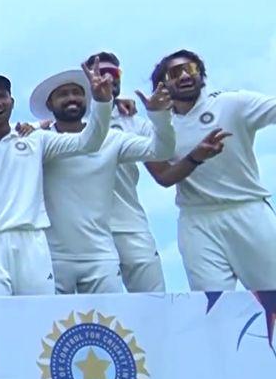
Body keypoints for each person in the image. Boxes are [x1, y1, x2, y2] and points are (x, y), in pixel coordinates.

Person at [0, 62, 114, 296]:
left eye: (2, 96)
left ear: (12, 102)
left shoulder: (36, 139)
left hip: (33, 242)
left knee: (40, 324)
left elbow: (90, 142)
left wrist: (102, 102)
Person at [30, 69, 175, 294]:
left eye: (77, 93)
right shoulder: (39, 141)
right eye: (63, 94)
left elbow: (161, 150)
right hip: (53, 256)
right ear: (49, 104)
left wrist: (160, 117)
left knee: (111, 327)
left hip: (101, 256)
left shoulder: (112, 139)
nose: (71, 98)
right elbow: (0, 136)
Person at [144, 50, 276, 291]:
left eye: (191, 69)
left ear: (201, 76)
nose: (184, 75)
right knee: (213, 308)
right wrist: (195, 157)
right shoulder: (157, 128)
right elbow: (163, 177)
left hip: (248, 210)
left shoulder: (232, 103)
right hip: (196, 221)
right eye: (175, 72)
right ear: (162, 86)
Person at [80, 52, 168, 292]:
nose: (109, 78)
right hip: (86, 231)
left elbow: (162, 155)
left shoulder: (133, 121)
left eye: (114, 73)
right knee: (100, 314)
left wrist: (160, 116)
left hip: (131, 225)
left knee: (154, 303)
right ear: (88, 78)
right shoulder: (73, 116)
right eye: (101, 72)